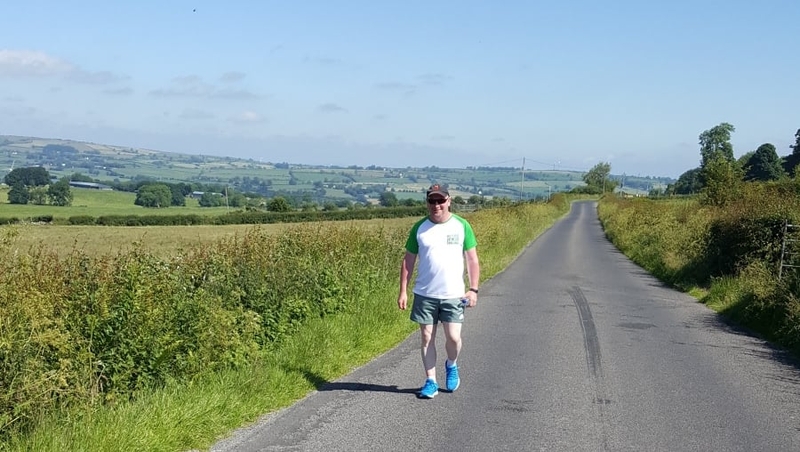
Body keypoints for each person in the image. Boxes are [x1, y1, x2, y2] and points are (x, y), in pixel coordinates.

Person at [397, 183, 480, 399]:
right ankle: (430, 381)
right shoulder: (419, 228)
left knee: (453, 337)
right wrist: (403, 291)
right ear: (427, 203)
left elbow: (472, 259)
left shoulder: (461, 225)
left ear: (449, 201)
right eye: (432, 201)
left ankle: (451, 364)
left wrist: (473, 289)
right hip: (425, 293)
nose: (436, 205)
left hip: (454, 294)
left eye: (440, 200)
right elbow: (408, 261)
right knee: (426, 337)